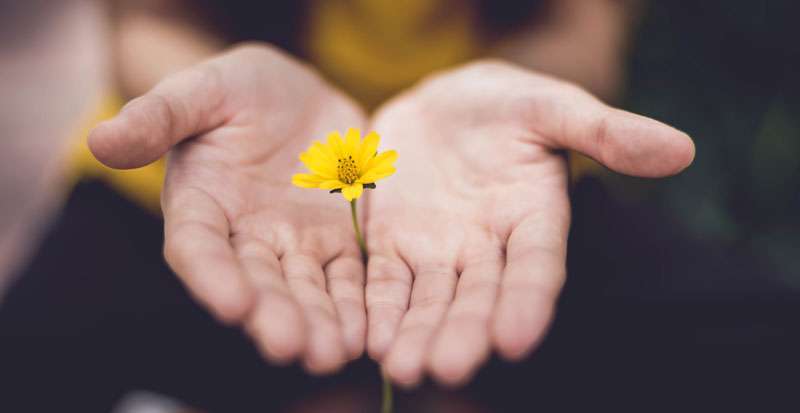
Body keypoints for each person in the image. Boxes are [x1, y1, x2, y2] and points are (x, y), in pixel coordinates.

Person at [87, 3, 693, 388]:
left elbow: (582, 31)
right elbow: (147, 19)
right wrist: (198, 93)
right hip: (220, 176)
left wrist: (524, 86)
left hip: (492, 183)